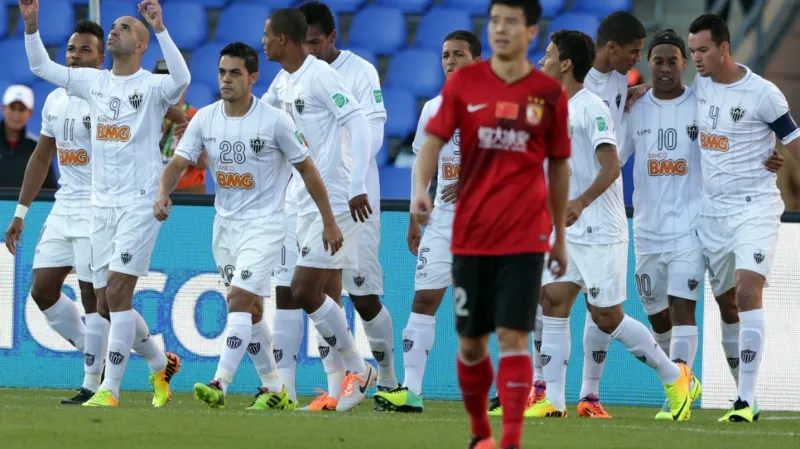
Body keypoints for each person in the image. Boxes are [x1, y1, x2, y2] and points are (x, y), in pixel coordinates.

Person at [411, 0, 571, 447]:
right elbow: (431, 144)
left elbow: (559, 166)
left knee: (513, 335)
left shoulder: (547, 94)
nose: (501, 28)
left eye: (510, 21)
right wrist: (421, 189)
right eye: (495, 21)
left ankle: (510, 439)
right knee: (471, 344)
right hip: (470, 234)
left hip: (523, 232)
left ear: (531, 32)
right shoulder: (464, 86)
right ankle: (481, 431)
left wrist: (559, 235)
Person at [155, 41, 342, 410]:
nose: (226, 80)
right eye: (222, 72)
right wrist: (163, 193)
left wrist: (328, 220)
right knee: (252, 310)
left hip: (266, 225)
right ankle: (275, 388)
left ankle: (220, 383)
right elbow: (178, 164)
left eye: (235, 73)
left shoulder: (275, 121)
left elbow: (308, 171)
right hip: (225, 227)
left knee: (238, 300)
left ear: (253, 77)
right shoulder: (205, 118)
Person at [21, 0, 189, 407]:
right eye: (113, 26)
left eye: (125, 28)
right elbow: (41, 67)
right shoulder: (92, 84)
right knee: (103, 300)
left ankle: (107, 389)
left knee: (114, 293)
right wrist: (31, 25)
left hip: (140, 203)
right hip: (101, 205)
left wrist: (160, 27)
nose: (114, 30)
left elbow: (182, 80)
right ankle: (158, 364)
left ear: (141, 46)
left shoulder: (152, 87)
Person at [528, 29, 699, 422]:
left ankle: (675, 377)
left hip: (601, 229)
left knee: (606, 316)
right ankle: (554, 400)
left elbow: (610, 165)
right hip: (568, 228)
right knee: (552, 301)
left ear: (565, 64)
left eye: (548, 55)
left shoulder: (592, 108)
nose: (542, 61)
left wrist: (581, 201)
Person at [621, 29, 784, 420]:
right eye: (657, 61)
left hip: (693, 227)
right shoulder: (635, 108)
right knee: (658, 318)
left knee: (686, 308)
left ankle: (687, 397)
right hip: (647, 229)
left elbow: (738, 134)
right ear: (648, 64)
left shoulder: (702, 100)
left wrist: (769, 154)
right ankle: (681, 380)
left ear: (684, 64)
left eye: (673, 60)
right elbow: (614, 159)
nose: (665, 68)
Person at [260, 1, 396, 411]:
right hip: (303, 200)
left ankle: (370, 372)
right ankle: (338, 387)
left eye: (267, 35)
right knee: (321, 293)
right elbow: (262, 121)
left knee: (316, 290)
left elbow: (361, 124)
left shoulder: (324, 75)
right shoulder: (286, 80)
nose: (262, 42)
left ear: (283, 38)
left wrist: (355, 183)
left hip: (341, 198)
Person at [685, 13, 800, 422]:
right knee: (728, 306)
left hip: (755, 207)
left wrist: (782, 156)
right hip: (712, 212)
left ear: (724, 48)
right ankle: (742, 393)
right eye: (692, 51)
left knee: (748, 291)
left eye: (703, 50)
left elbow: (793, 141)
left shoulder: (764, 94)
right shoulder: (700, 85)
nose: (696, 58)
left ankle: (745, 401)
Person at [373, 30, 482, 414]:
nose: (450, 61)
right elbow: (422, 164)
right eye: (446, 54)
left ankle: (511, 391)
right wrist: (414, 214)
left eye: (459, 54)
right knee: (424, 300)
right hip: (442, 220)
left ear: (477, 61)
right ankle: (411, 391)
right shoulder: (433, 108)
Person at [5, 20, 107, 405]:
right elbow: (41, 156)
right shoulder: (55, 100)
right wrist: (21, 212)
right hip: (65, 204)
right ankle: (96, 351)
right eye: (71, 49)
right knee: (43, 289)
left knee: (95, 294)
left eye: (85, 50)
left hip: (99, 206)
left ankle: (93, 382)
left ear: (101, 58)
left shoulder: (107, 98)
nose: (75, 56)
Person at [557, 10, 646, 419]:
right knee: (548, 301)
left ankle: (588, 395)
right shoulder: (576, 87)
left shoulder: (617, 80)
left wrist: (640, 93)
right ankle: (539, 389)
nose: (637, 59)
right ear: (611, 48)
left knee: (601, 309)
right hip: (571, 201)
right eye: (634, 51)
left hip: (598, 202)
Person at [154, 59, 209, 194]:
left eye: (174, 83)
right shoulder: (144, 116)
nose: (169, 90)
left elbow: (203, 163)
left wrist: (181, 120)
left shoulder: (198, 117)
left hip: (188, 194)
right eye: (163, 83)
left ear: (185, 87)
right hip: (150, 192)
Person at [0, 84, 57, 189]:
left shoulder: (37, 149)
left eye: (21, 109)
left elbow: (49, 190)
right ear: (3, 108)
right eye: (12, 108)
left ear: (30, 113)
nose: (16, 114)